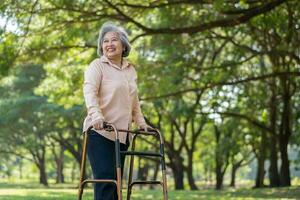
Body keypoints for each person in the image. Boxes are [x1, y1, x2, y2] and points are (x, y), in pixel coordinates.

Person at [82, 22, 152, 200]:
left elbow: (134, 100)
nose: (109, 44)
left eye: (114, 40)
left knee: (116, 185)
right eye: (105, 41)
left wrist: (141, 122)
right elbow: (89, 92)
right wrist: (96, 115)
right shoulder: (97, 66)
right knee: (106, 181)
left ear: (123, 45)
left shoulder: (130, 70)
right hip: (100, 132)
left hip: (121, 134)